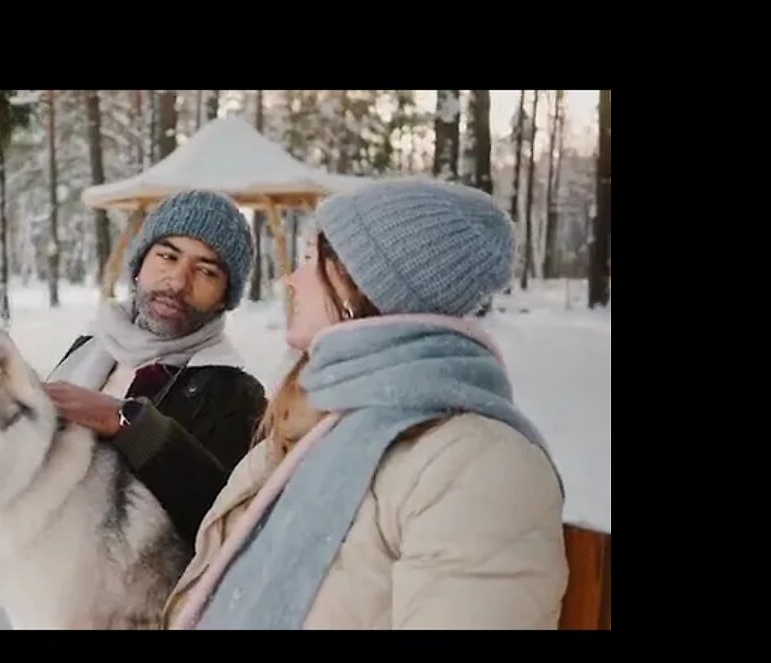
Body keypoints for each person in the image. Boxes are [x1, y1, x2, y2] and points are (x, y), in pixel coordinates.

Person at [163, 178, 569, 630]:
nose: (290, 280)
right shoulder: (309, 423)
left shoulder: (478, 466)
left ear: (362, 285)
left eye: (311, 260)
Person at [0, 189, 269, 627]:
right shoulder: (91, 349)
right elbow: (3, 453)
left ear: (225, 297)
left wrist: (127, 423)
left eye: (205, 271)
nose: (178, 280)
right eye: (167, 257)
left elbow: (220, 520)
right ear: (140, 264)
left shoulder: (230, 390)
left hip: (110, 605)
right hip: (2, 582)